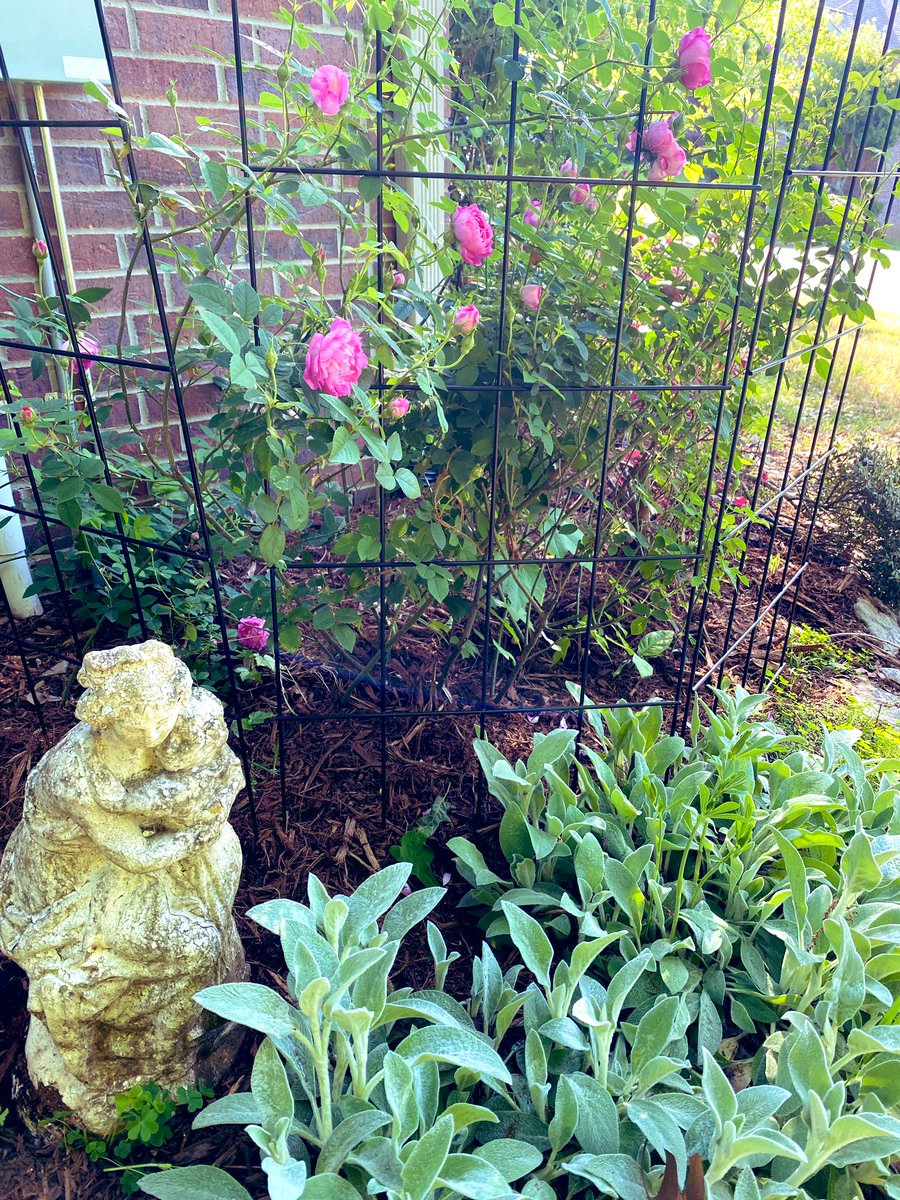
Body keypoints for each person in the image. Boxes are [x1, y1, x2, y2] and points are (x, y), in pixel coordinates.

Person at [0, 640, 245, 1131]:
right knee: (192, 945)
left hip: (139, 860)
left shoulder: (179, 726)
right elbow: (134, 854)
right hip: (76, 887)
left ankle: (190, 1030)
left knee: (220, 860)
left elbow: (223, 770)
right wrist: (194, 830)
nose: (153, 731)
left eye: (162, 714)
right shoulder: (77, 772)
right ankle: (110, 1034)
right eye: (137, 721)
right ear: (107, 715)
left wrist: (202, 807)